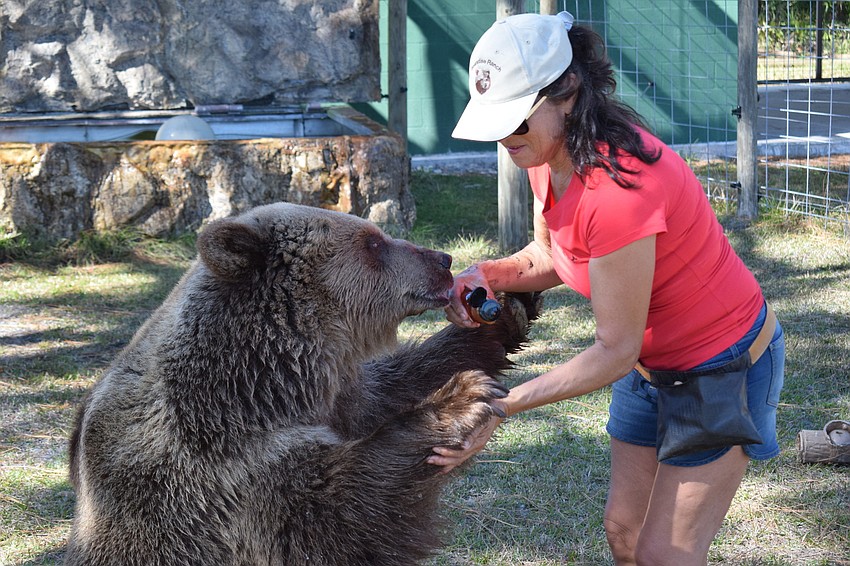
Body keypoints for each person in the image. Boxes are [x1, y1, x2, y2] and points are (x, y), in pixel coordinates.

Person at [429, 11, 785, 566]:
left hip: (721, 369)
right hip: (648, 368)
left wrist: (500, 407)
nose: (504, 139)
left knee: (665, 554)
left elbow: (613, 350)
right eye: (495, 123)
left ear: (567, 92)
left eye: (515, 121)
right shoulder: (549, 155)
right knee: (624, 532)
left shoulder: (621, 190)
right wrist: (489, 274)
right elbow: (553, 254)